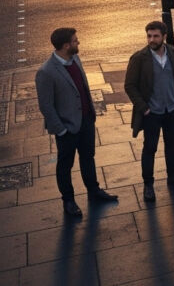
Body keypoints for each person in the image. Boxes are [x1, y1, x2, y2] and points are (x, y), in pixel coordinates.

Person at [35, 28, 119, 217]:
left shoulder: (75, 59)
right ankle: (69, 201)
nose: (78, 43)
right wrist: (61, 130)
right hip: (67, 127)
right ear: (66, 46)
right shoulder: (46, 72)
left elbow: (82, 88)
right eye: (75, 41)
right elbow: (46, 106)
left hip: (86, 121)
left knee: (88, 157)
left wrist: (91, 115)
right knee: (65, 165)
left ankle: (94, 191)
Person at [124, 21, 174, 202]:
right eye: (149, 36)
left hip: (172, 109)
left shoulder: (173, 53)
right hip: (151, 113)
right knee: (150, 148)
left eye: (155, 36)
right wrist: (144, 108)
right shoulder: (139, 58)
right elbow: (129, 86)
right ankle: (148, 184)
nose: (151, 40)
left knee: (172, 145)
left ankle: (173, 177)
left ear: (164, 37)